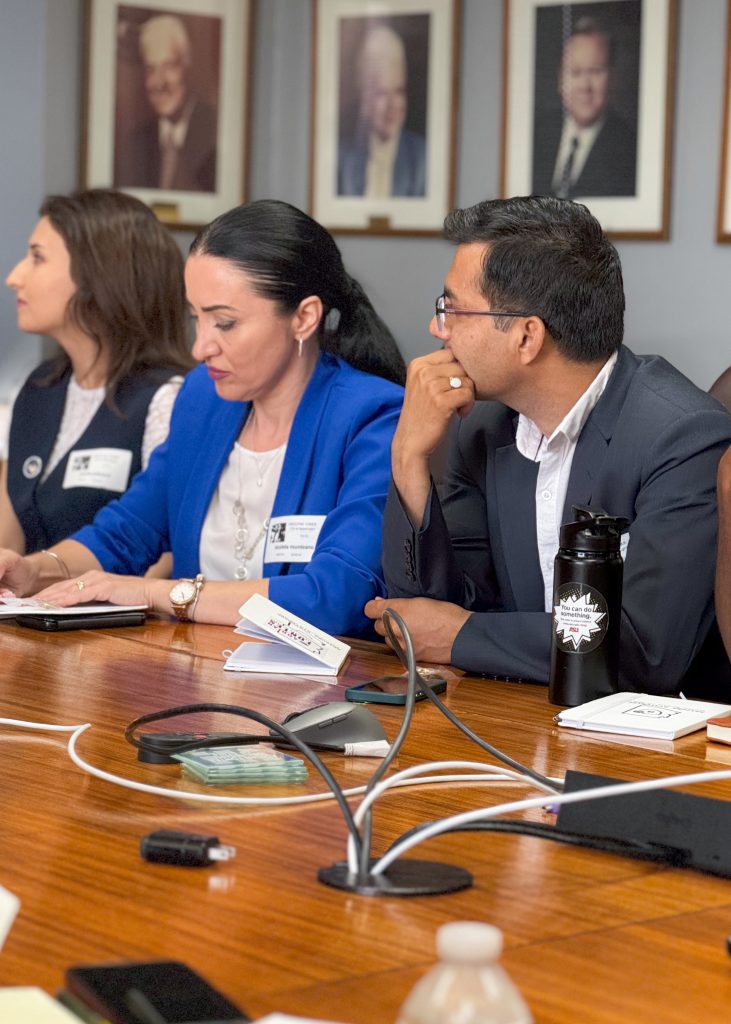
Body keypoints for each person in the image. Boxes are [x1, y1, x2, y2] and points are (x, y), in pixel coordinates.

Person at [366, 195, 731, 696]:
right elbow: (425, 614)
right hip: (523, 719)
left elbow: (647, 651)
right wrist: (409, 458)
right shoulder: (484, 429)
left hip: (655, 749)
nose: (437, 328)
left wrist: (461, 635)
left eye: (451, 308)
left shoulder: (683, 437)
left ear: (526, 337)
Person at [0, 201, 405, 638]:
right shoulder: (202, 397)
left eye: (224, 323)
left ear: (303, 317)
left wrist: (161, 594)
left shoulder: (372, 415)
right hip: (194, 676)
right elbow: (126, 532)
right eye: (197, 319)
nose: (200, 348)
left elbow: (337, 595)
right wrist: (34, 570)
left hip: (321, 690)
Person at [1, 188, 192, 557]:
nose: (14, 277)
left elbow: (168, 555)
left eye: (37, 258)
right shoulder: (39, 386)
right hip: (29, 611)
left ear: (97, 275)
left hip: (122, 613)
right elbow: (7, 544)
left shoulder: (166, 397)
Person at [532, 17, 636, 198]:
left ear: (613, 78)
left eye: (595, 71)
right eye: (575, 72)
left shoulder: (628, 149)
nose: (584, 86)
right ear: (560, 79)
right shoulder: (537, 135)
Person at [114, 14, 217, 192]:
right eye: (151, 69)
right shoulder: (135, 145)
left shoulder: (216, 134)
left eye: (169, 66)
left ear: (187, 67)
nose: (159, 83)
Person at [338, 22, 426, 198]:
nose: (392, 105)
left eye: (399, 91)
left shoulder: (422, 157)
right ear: (365, 99)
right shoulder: (343, 158)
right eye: (382, 93)